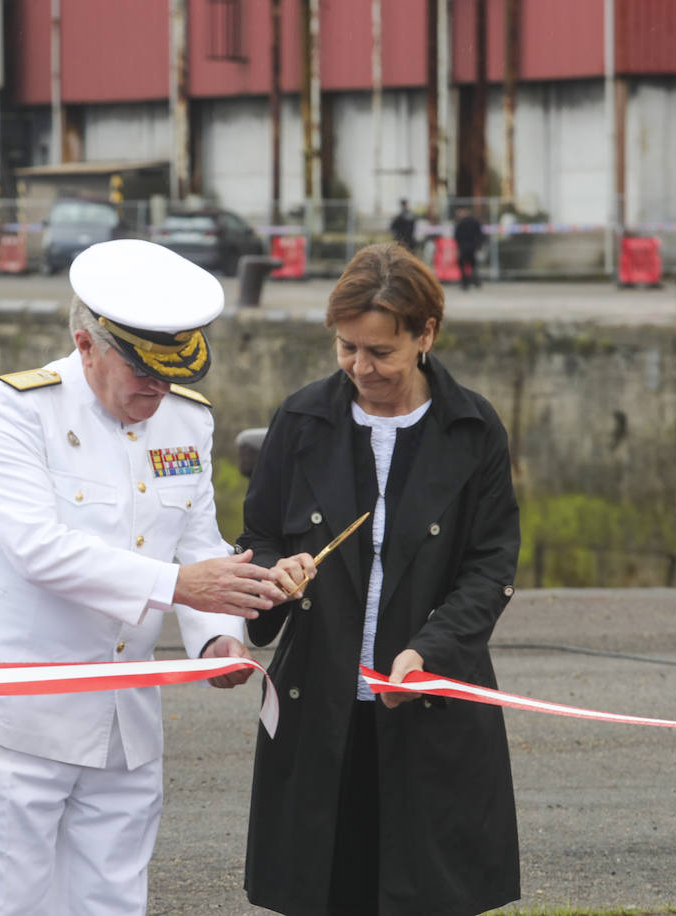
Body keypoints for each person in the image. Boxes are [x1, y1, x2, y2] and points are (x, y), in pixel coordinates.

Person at [0, 238, 291, 916]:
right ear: (85, 343)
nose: (156, 386)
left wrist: (216, 639)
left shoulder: (185, 418)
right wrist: (181, 587)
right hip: (14, 718)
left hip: (124, 724)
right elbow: (39, 549)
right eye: (140, 368)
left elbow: (199, 541)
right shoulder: (14, 411)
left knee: (113, 905)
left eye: (169, 369)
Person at [239, 242, 521, 916]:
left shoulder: (473, 428)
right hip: (317, 709)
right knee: (326, 889)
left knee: (420, 893)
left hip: (429, 700)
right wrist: (270, 577)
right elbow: (260, 536)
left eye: (380, 353)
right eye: (347, 349)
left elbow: (490, 567)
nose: (361, 368)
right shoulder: (302, 418)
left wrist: (432, 651)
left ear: (426, 335)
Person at [453, 206, 485, 289]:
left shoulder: (460, 222)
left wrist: (459, 245)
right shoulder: (475, 221)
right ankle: (476, 281)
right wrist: (479, 245)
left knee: (463, 265)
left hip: (463, 247)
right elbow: (481, 234)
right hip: (473, 247)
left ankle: (465, 283)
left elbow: (456, 236)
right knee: (473, 265)